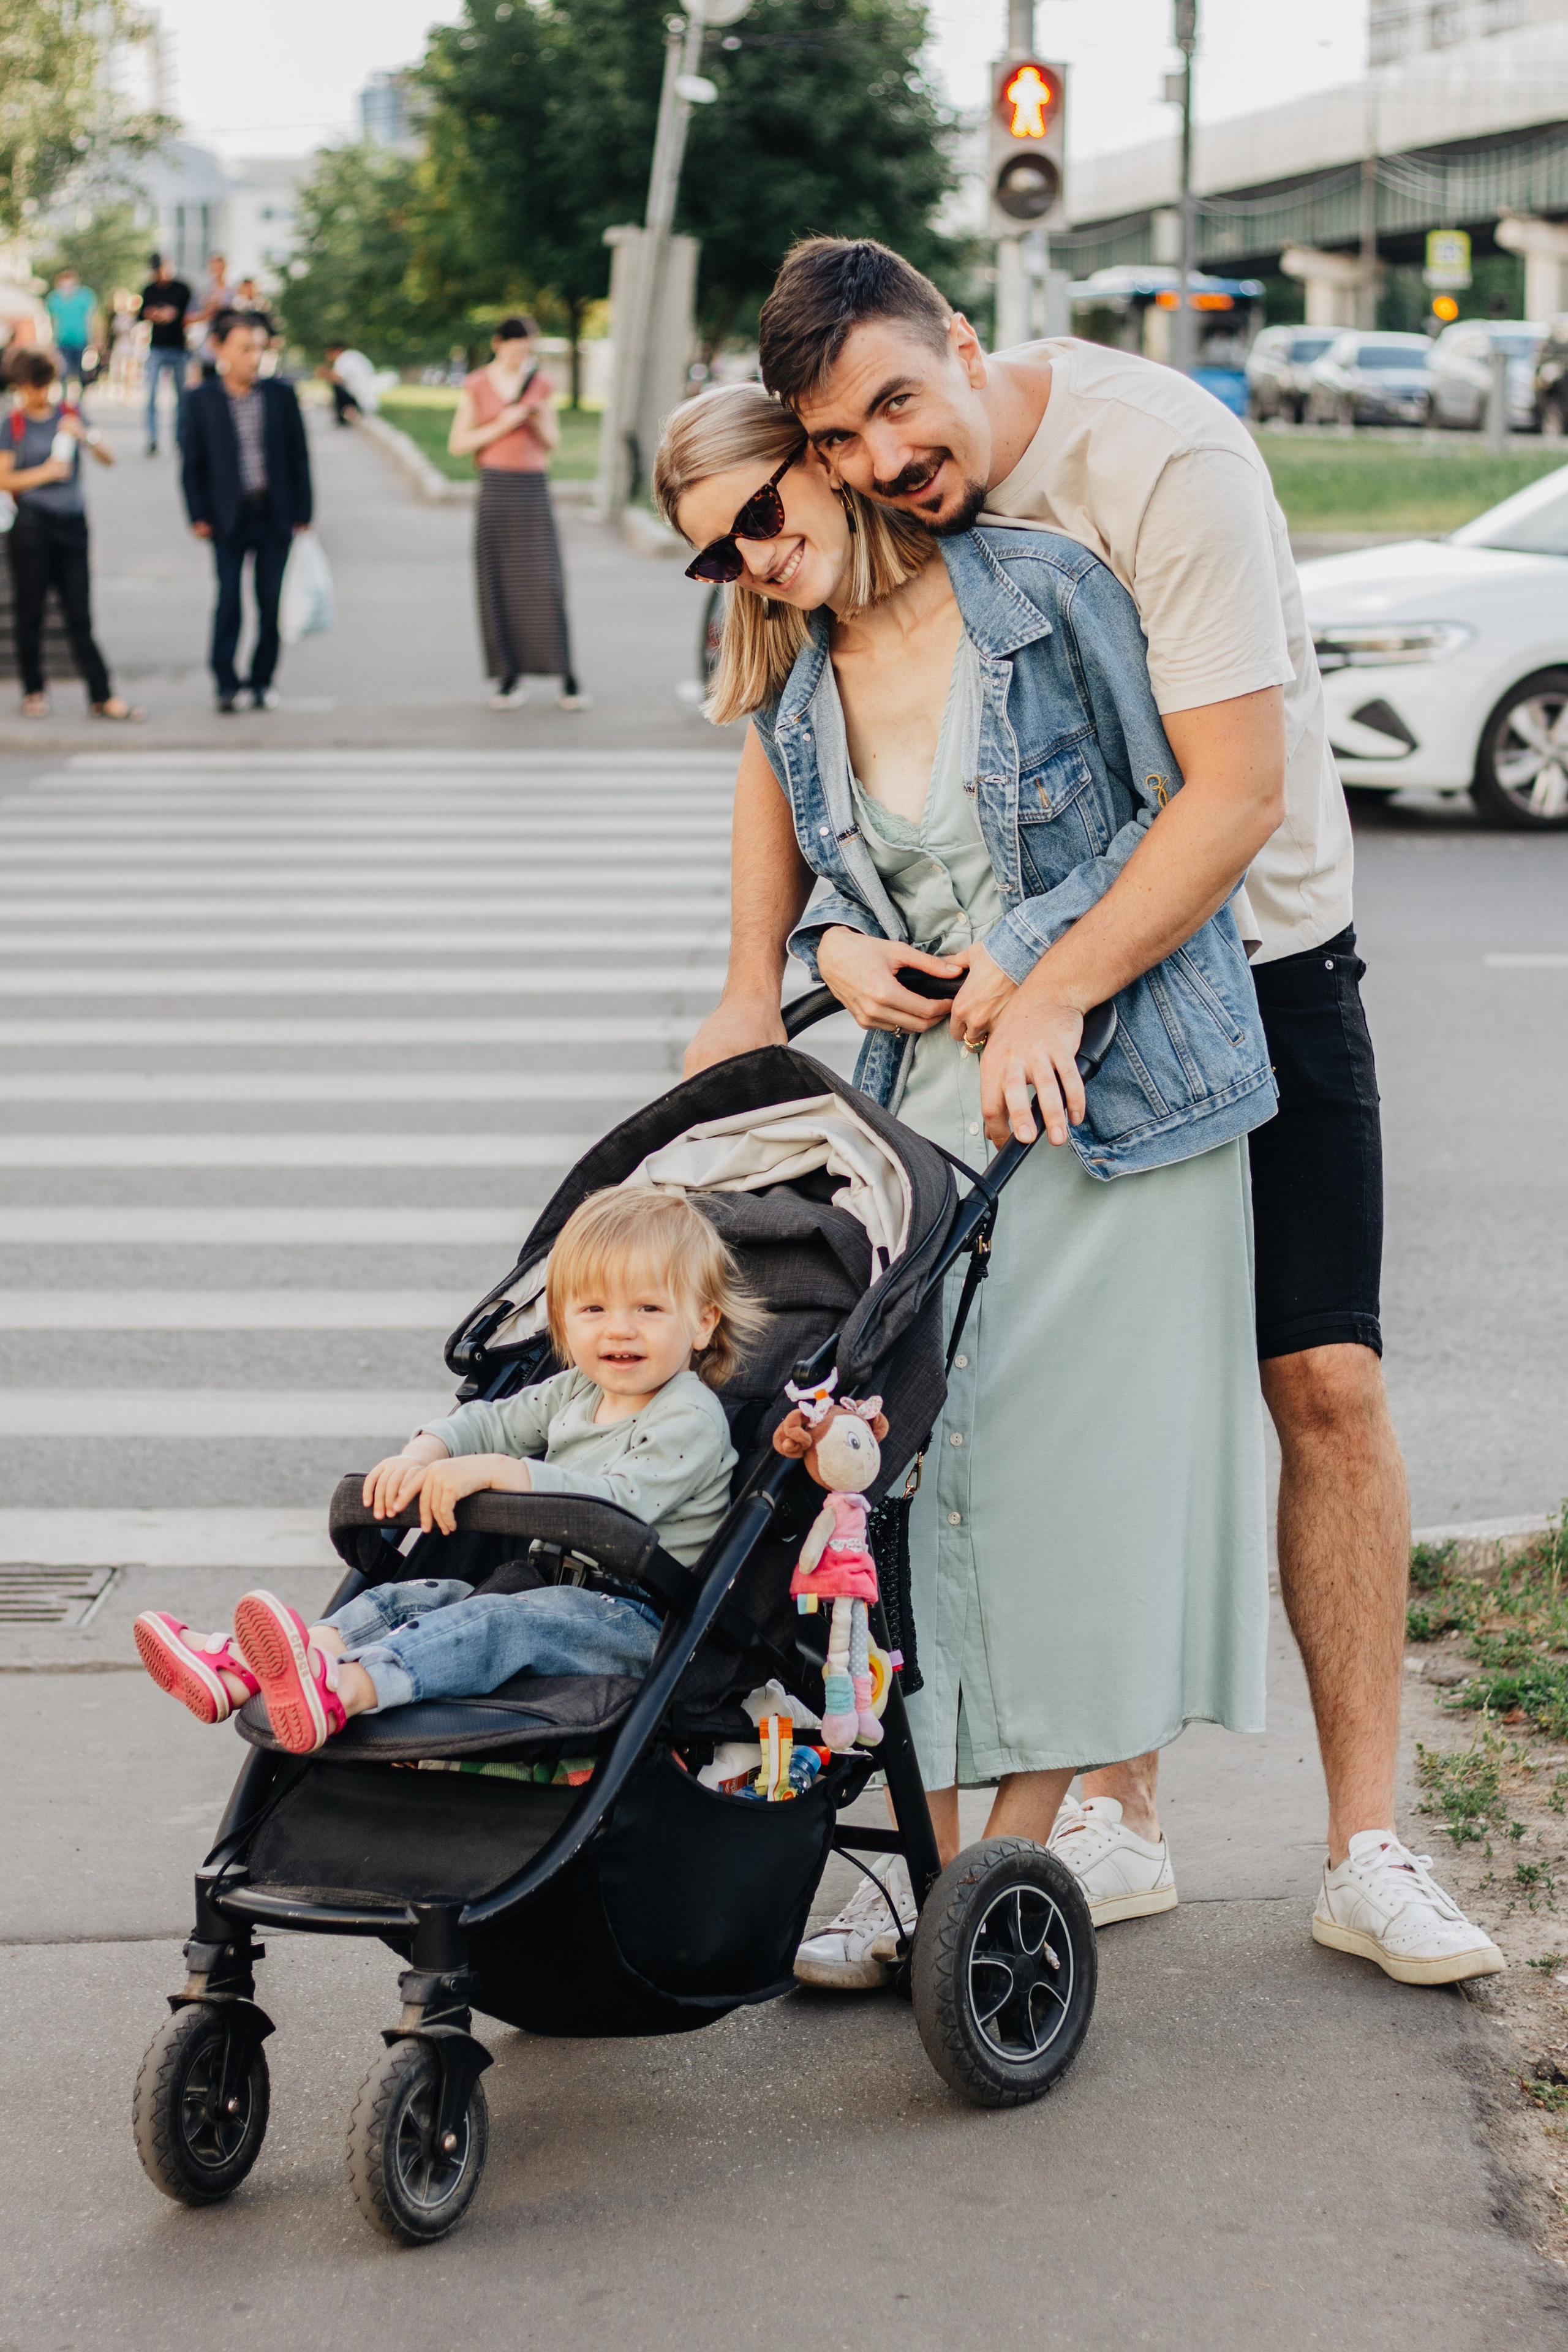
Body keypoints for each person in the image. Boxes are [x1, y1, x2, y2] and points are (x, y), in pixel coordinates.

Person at [688, 236, 1501, 1988]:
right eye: (841, 438)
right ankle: (1089, 1822)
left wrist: (1050, 979)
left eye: (904, 405)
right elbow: (791, 712)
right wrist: (797, 955)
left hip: (1252, 959)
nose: (888, 456)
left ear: (965, 345)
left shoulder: (1163, 461)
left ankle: (1366, 1846)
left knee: (1324, 1381)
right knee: (1025, 1418)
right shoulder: (869, 515)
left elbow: (1228, 795)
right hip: (1017, 1001)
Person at [656, 383, 1296, 1993]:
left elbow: (1185, 815)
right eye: (712, 555)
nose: (749, 559)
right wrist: (832, 955)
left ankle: (996, 1872)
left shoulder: (1040, 596)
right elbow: (822, 880)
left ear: (819, 462)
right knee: (912, 1491)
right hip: (939, 1108)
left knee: (1067, 1485)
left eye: (757, 515)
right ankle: (930, 1872)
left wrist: (1033, 951)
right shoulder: (795, 682)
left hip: (1116, 1086)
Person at [132, 1189, 758, 1754]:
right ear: (563, 1322)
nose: (619, 1328)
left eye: (648, 1308)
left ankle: (344, 1689)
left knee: (491, 1623)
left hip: (637, 1619)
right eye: (593, 1309)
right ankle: (248, 1670)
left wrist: (503, 1473)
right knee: (412, 1598)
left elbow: (622, 1504)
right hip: (543, 1590)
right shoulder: (573, 1391)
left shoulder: (690, 1415)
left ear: (703, 1322)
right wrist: (423, 1454)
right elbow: (487, 1422)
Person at [448, 315, 588, 711]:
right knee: (497, 583)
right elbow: (459, 443)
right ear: (499, 344)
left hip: (533, 487)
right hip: (495, 486)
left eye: (528, 349)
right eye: (516, 348)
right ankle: (507, 677)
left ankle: (566, 675)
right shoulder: (476, 384)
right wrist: (503, 424)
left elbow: (552, 443)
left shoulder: (541, 384)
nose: (522, 356)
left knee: (546, 581)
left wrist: (539, 420)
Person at [181, 310, 313, 714]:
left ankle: (262, 680)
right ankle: (225, 681)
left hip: (274, 515)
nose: (254, 357)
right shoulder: (200, 400)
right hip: (226, 517)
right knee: (228, 600)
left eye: (259, 348)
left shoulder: (281, 395)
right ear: (219, 349)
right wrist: (197, 514)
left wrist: (304, 510)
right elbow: (192, 463)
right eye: (244, 348)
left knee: (270, 602)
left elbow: (299, 457)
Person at [0, 348, 143, 722]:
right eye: (32, 387)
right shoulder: (13, 424)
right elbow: (4, 478)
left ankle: (101, 694)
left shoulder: (70, 415)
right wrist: (46, 473)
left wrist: (86, 436)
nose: (39, 394)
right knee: (30, 612)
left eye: (44, 386)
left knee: (79, 614)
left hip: (72, 524)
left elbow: (109, 458)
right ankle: (33, 689)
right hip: (32, 525)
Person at [139, 254, 191, 454]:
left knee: (182, 398)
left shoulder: (182, 288)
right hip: (157, 347)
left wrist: (172, 314)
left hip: (179, 348)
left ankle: (181, 438)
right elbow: (141, 315)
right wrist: (152, 314)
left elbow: (189, 315)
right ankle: (152, 437)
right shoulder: (149, 290)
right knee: (151, 394)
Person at [45, 268, 98, 397]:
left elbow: (91, 318)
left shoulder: (85, 296)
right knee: (63, 371)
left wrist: (94, 339)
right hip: (62, 340)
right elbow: (52, 321)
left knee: (81, 372)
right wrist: (50, 340)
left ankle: (79, 400)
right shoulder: (55, 298)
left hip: (81, 340)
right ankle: (64, 399)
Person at [318, 341, 380, 426]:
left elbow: (337, 379)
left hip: (359, 396)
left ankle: (343, 417)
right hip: (363, 393)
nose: (328, 357)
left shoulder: (344, 358)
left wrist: (324, 373)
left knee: (337, 387)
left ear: (337, 351)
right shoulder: (353, 356)